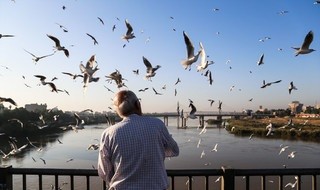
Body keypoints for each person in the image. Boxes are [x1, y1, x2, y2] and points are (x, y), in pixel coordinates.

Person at [98, 90, 179, 190]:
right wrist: (155, 151)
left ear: (117, 111)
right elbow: (174, 150)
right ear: (138, 104)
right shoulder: (157, 124)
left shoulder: (108, 133)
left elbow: (104, 171)